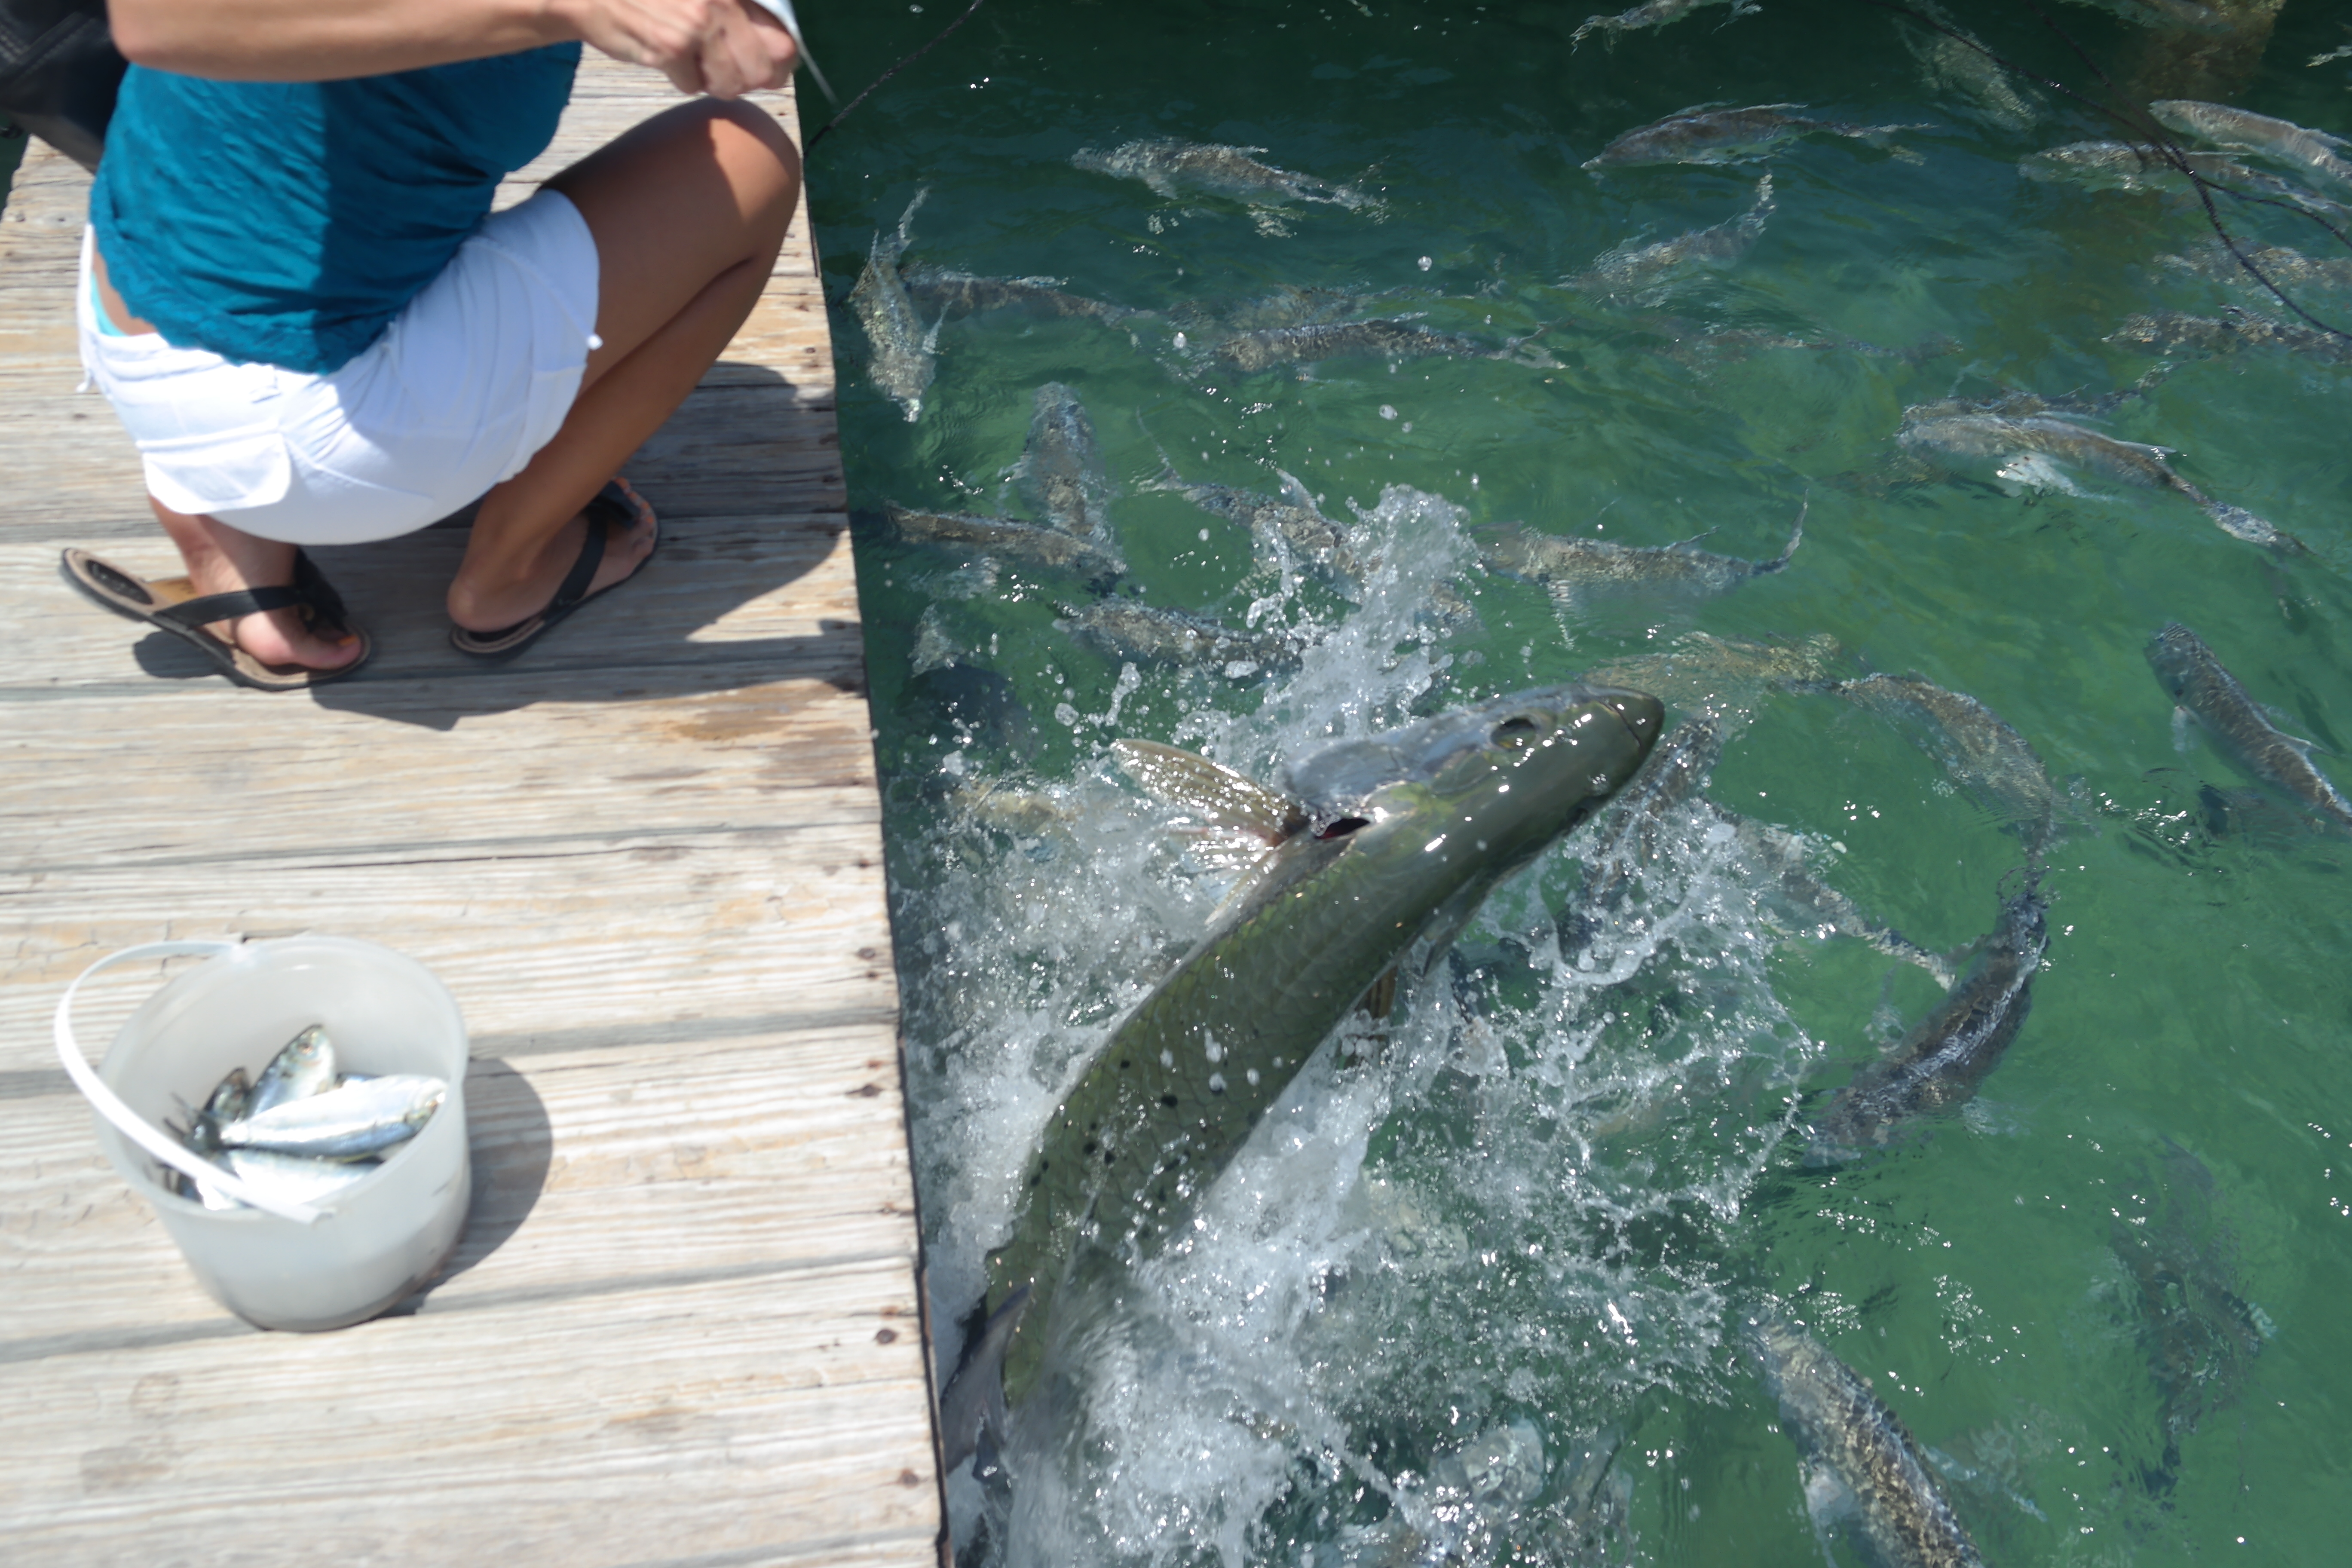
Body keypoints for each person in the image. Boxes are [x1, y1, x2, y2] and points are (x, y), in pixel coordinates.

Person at [63, 0, 806, 688]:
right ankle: (510, 572)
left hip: (125, 313)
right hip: (313, 430)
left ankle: (231, 543)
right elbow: (159, 22)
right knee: (750, 157)